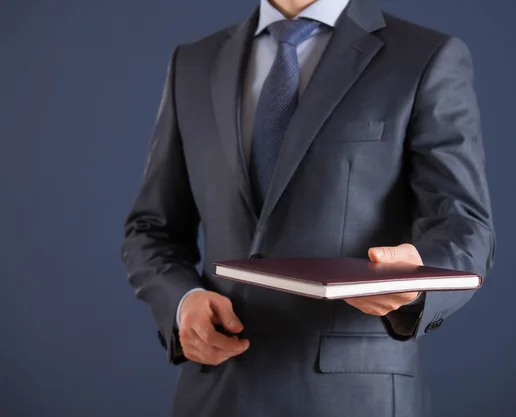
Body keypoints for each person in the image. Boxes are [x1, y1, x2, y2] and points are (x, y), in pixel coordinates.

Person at [121, 0, 496, 415]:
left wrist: (420, 278)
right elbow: (151, 228)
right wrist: (181, 300)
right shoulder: (192, 62)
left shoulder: (425, 55)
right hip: (217, 393)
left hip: (355, 396)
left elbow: (465, 226)